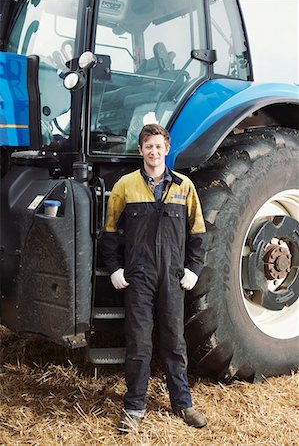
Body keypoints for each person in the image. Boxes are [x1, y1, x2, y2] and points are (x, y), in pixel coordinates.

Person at [101, 124, 207, 432]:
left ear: (167, 149)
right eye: (148, 146)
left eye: (159, 146)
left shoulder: (184, 187)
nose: (154, 151)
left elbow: (198, 233)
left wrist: (193, 269)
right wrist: (115, 269)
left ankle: (183, 404)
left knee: (175, 341)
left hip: (173, 277)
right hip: (139, 277)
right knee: (138, 343)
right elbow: (109, 232)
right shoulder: (125, 185)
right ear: (140, 150)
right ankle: (134, 408)